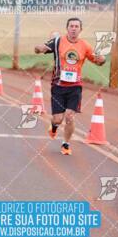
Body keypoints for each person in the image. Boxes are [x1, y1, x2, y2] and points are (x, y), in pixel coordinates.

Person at [34, 17, 105, 155]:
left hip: (75, 87)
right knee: (58, 118)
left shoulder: (85, 46)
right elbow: (42, 48)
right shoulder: (58, 41)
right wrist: (38, 49)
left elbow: (97, 60)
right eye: (71, 26)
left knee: (70, 116)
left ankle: (65, 144)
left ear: (80, 29)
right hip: (58, 86)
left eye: (76, 26)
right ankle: (54, 127)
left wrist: (102, 60)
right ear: (67, 28)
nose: (73, 28)